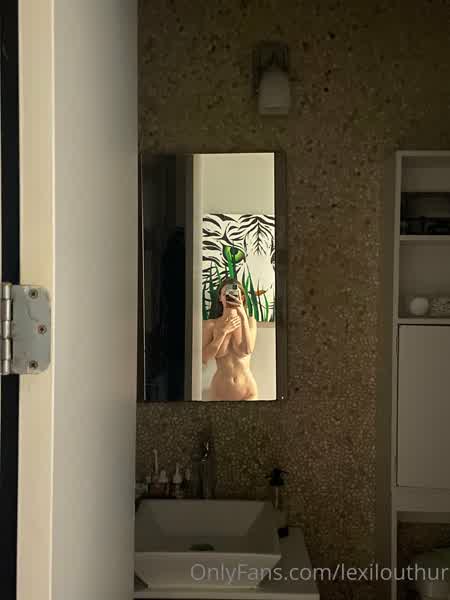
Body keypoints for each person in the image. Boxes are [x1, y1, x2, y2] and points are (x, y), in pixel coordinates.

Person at [202, 278, 258, 401]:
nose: (230, 297)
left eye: (235, 294)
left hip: (247, 392)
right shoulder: (211, 325)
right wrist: (223, 332)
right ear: (220, 298)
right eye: (226, 294)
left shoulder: (250, 321)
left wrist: (242, 316)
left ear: (242, 298)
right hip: (219, 393)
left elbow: (248, 349)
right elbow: (204, 358)